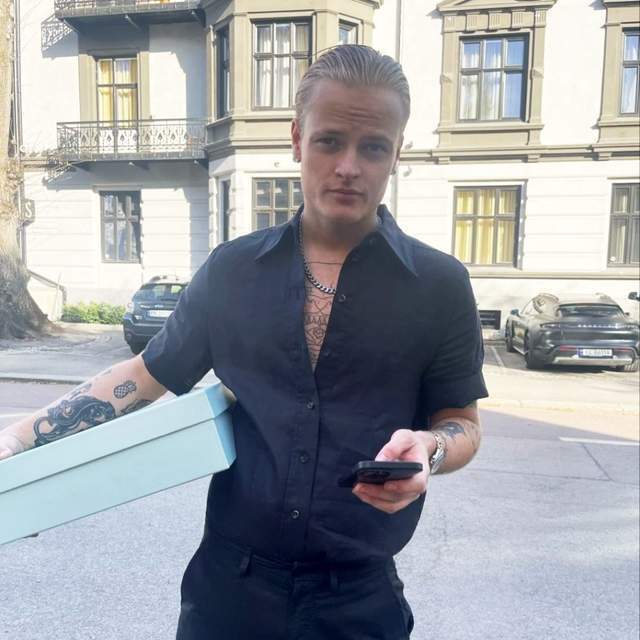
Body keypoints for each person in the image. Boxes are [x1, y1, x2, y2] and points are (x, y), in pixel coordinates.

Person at [0, 45, 488, 639]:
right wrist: (17, 438)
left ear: (397, 152)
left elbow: (462, 423)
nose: (348, 166)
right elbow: (145, 375)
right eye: (330, 141)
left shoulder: (438, 286)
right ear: (297, 139)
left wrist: (430, 451)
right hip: (228, 593)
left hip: (357, 601)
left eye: (373, 147)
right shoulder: (233, 271)